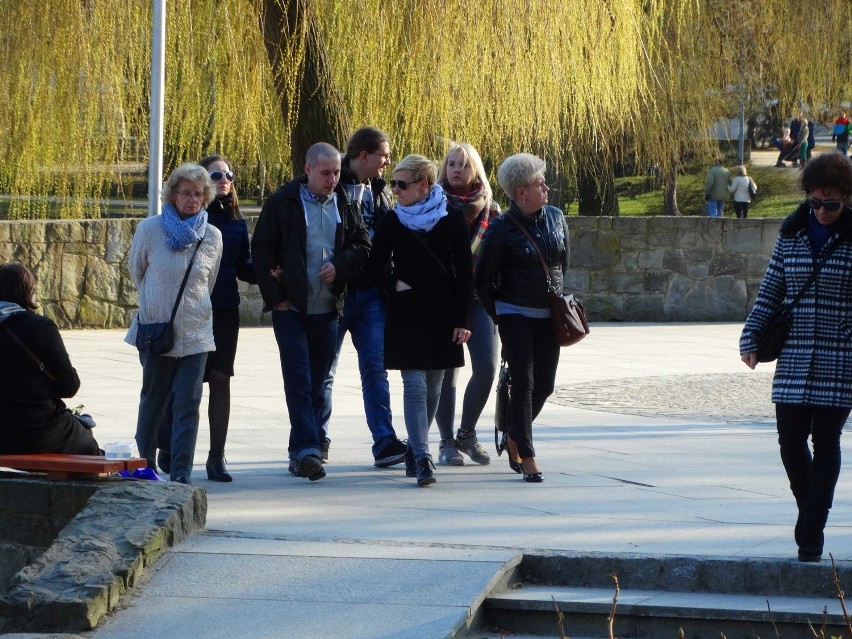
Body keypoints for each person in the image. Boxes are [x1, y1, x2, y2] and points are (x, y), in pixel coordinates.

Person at [740, 152, 852, 562]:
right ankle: (811, 514)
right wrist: (751, 336)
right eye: (815, 202)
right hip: (795, 352)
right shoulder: (792, 234)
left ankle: (811, 530)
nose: (822, 211)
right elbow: (771, 290)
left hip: (841, 356)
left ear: (846, 199)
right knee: (789, 443)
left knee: (826, 441)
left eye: (832, 203)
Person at [251, 142, 370, 482]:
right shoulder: (283, 202)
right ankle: (308, 451)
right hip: (291, 308)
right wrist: (277, 298)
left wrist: (340, 265)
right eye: (325, 173)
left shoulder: (344, 202)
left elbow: (363, 245)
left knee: (317, 384)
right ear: (308, 170)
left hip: (328, 308)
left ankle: (300, 450)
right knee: (299, 380)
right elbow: (261, 251)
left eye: (336, 172)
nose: (332, 179)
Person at [368, 154, 473, 486]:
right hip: (407, 312)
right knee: (414, 385)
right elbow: (373, 268)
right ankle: (424, 456)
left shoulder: (452, 219)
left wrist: (462, 319)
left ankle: (416, 448)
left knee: (434, 386)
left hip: (443, 313)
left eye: (402, 183)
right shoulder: (392, 221)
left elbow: (465, 275)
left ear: (424, 184)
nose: (395, 190)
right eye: (393, 183)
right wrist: (393, 284)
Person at [157, 155, 258, 482]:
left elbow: (244, 267)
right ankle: (171, 447)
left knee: (220, 380)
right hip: (190, 310)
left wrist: (273, 270)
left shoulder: (236, 222)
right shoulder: (185, 219)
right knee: (183, 384)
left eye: (230, 174)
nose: (225, 179)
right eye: (217, 174)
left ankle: (217, 456)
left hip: (225, 311)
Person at [125, 163, 223, 484]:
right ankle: (144, 468)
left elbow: (208, 282)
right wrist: (158, 303)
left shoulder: (212, 236)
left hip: (196, 335)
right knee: (153, 403)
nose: (192, 199)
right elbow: (137, 271)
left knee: (187, 406)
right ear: (173, 194)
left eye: (198, 194)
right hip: (156, 331)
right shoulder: (150, 229)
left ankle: (181, 476)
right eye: (186, 193)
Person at [475, 154, 569, 483]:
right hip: (514, 314)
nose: (546, 186)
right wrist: (499, 316)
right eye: (538, 183)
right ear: (520, 193)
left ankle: (514, 433)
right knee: (524, 385)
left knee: (545, 385)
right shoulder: (500, 230)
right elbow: (482, 281)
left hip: (549, 316)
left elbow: (561, 265)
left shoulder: (556, 218)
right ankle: (528, 455)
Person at [321, 127, 407, 468]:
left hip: (372, 293)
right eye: (383, 156)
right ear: (363, 156)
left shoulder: (380, 190)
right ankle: (316, 438)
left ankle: (384, 441)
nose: (387, 162)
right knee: (325, 370)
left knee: (375, 368)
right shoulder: (332, 185)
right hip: (336, 292)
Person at [434, 142, 500, 467]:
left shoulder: (491, 208)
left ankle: (467, 433)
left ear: (475, 170)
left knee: (486, 367)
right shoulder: (431, 205)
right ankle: (446, 442)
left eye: (463, 165)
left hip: (479, 298)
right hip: (444, 298)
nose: (457, 170)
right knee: (447, 372)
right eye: (452, 164)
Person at [0, 263, 100, 456]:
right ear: (27, 293)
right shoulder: (39, 327)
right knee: (87, 442)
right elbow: (69, 387)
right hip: (37, 429)